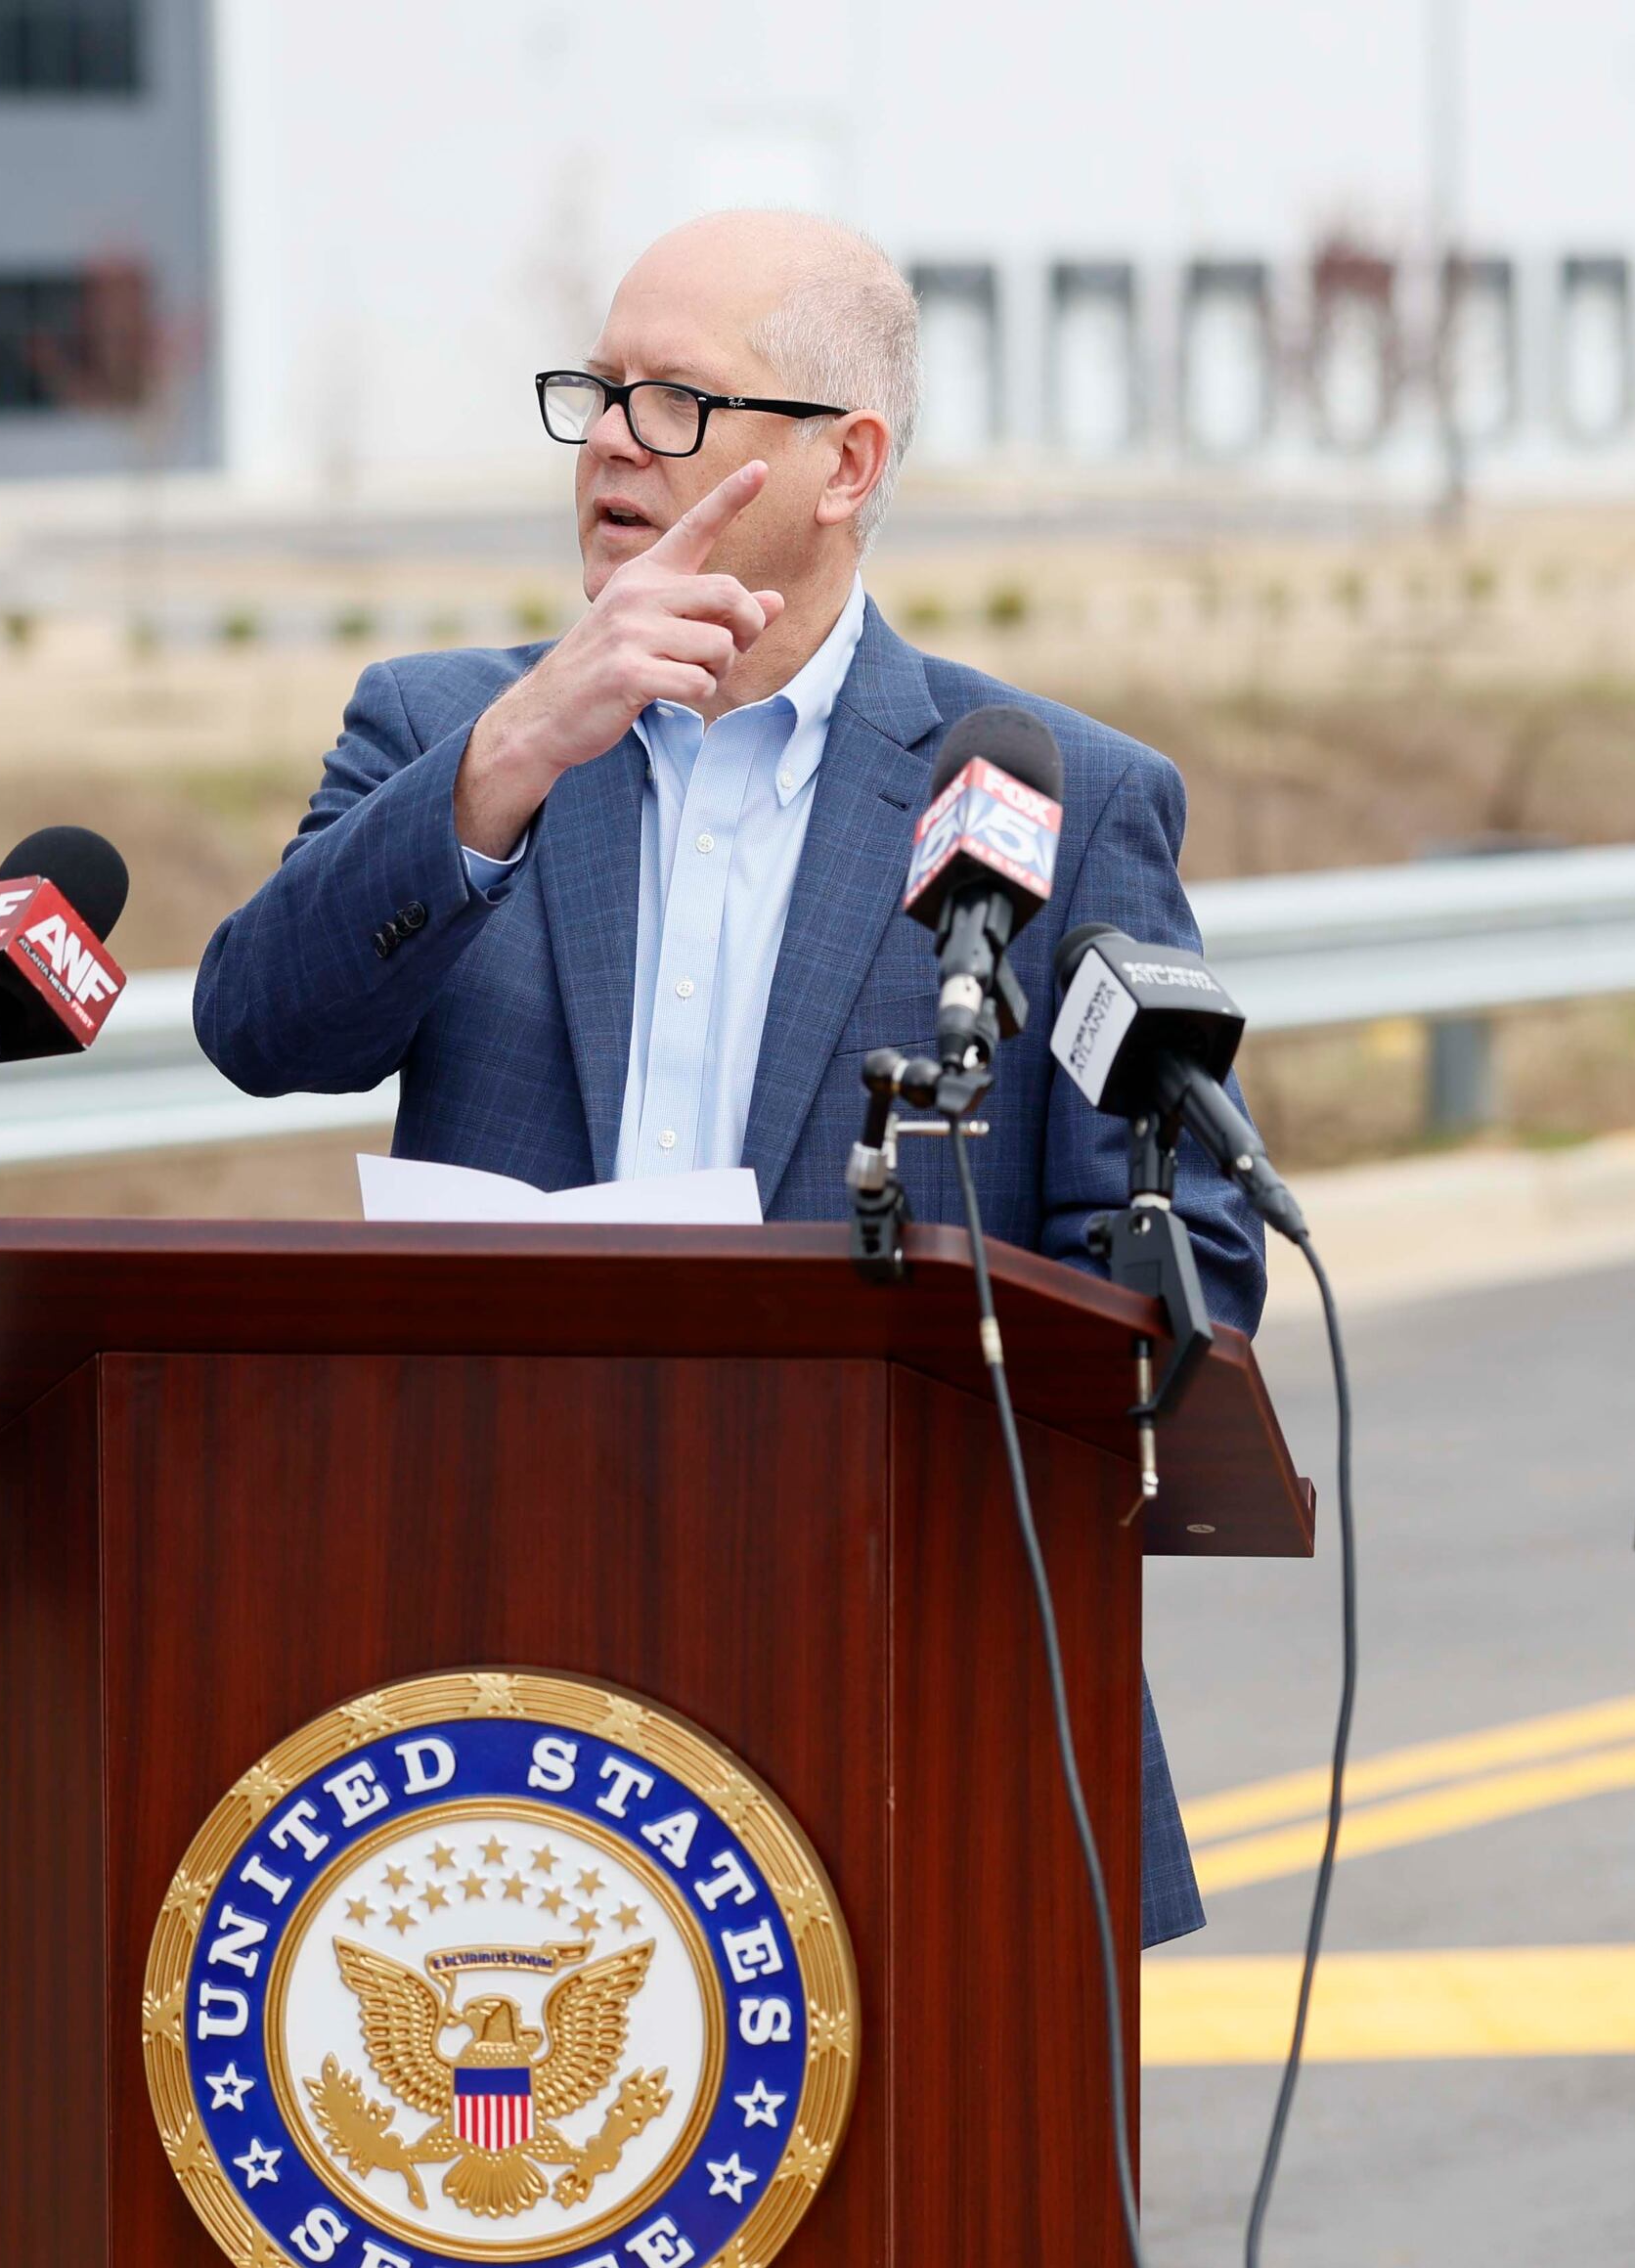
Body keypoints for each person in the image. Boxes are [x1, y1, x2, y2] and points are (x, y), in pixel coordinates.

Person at [194, 210, 1261, 1945]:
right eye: (597, 392)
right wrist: (518, 751)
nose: (615, 438)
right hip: (506, 1662)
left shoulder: (1045, 794)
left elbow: (1187, 1258)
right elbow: (261, 1030)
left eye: (678, 399)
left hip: (909, 1647)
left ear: (846, 464)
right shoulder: (446, 728)